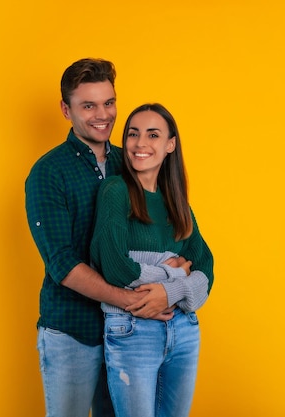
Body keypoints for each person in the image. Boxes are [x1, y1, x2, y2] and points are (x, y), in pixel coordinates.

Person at [25, 59, 172, 417]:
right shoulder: (48, 172)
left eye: (109, 103)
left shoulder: (132, 162)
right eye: (88, 105)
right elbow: (62, 263)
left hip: (131, 333)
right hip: (73, 332)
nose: (102, 114)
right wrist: (131, 300)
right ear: (66, 109)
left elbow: (165, 235)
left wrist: (171, 288)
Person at [90, 103, 214, 417]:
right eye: (133, 134)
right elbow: (116, 268)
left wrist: (169, 292)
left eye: (153, 135)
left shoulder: (176, 201)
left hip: (184, 329)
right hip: (132, 330)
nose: (140, 143)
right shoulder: (115, 190)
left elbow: (206, 268)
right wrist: (174, 274)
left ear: (170, 145)